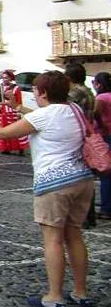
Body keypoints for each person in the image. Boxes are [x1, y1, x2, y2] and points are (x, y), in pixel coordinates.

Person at [0, 71, 94, 307]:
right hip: (82, 179)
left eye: (36, 90)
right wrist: (18, 108)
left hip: (54, 183)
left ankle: (54, 295)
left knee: (52, 239)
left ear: (42, 92)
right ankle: (81, 292)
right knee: (74, 235)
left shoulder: (44, 115)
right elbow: (42, 121)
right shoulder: (73, 109)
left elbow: (1, 132)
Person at [66, 64, 96, 228]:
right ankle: (89, 216)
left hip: (78, 136)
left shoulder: (75, 93)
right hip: (87, 135)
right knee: (86, 177)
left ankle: (83, 215)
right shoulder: (88, 91)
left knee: (78, 177)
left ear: (69, 78)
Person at [0, 70, 29, 155]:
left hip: (12, 112)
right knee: (3, 130)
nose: (5, 79)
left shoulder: (16, 88)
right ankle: (6, 148)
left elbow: (19, 101)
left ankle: (20, 148)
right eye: (3, 78)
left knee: (16, 130)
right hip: (2, 111)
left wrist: (18, 112)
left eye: (7, 78)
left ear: (10, 78)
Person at [93, 72, 111, 220]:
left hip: (105, 135)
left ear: (99, 84)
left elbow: (95, 114)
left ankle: (106, 208)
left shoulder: (101, 97)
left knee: (106, 173)